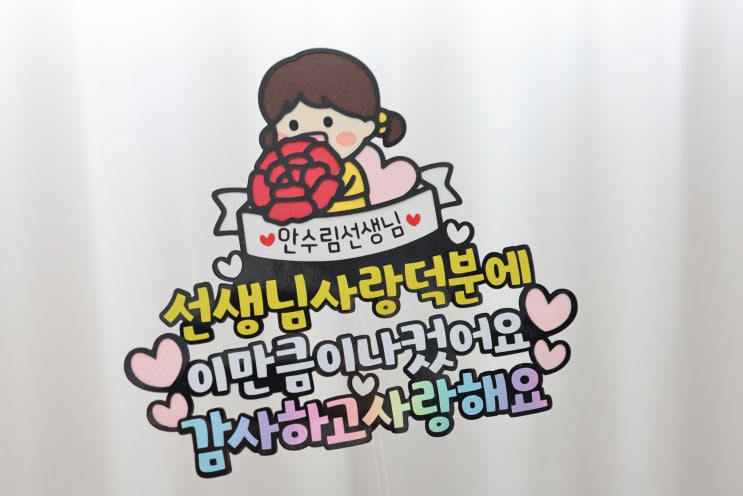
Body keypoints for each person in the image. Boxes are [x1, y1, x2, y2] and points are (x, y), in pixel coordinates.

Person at [252, 48, 419, 220]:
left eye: (328, 122)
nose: (314, 136)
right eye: (293, 125)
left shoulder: (348, 172)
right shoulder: (282, 174)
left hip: (355, 228)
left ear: (367, 127)